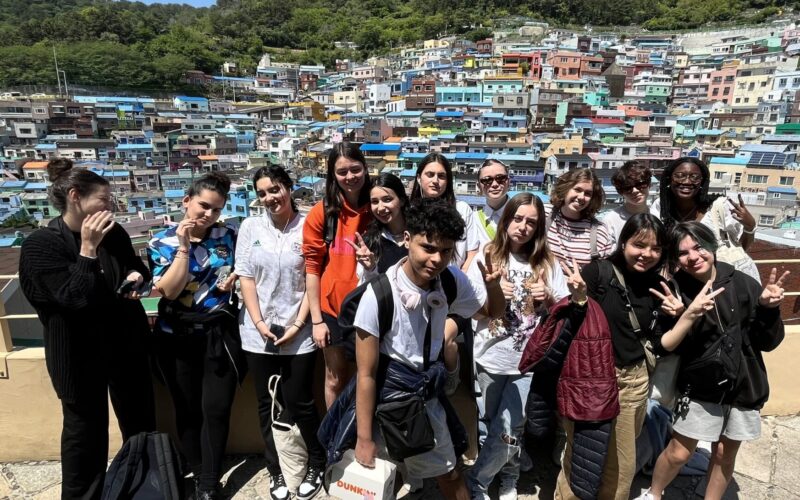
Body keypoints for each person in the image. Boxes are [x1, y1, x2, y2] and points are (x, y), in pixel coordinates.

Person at [352, 199, 506, 500]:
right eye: (428, 248)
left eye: (446, 251)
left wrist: (493, 286)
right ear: (407, 240)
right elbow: (366, 374)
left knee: (449, 472)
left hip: (425, 394)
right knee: (382, 478)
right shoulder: (379, 294)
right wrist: (363, 437)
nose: (437, 259)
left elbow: (490, 311)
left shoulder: (449, 279)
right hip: (387, 397)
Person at [19, 158, 155, 500]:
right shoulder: (41, 245)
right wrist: (88, 250)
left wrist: (139, 277)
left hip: (125, 345)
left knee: (140, 422)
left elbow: (137, 267)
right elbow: (72, 298)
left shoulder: (115, 233)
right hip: (78, 356)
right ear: (76, 196)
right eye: (104, 201)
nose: (109, 208)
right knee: (85, 436)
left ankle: (142, 487)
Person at [637, 222, 787, 500]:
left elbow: (768, 342)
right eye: (683, 253)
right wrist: (683, 315)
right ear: (675, 259)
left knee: (723, 454)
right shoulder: (675, 289)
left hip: (744, 386)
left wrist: (768, 309)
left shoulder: (743, 283)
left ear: (712, 246)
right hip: (700, 386)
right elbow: (666, 347)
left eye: (699, 247)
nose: (693, 257)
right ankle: (654, 493)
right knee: (680, 452)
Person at [554, 213, 679, 500]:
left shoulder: (661, 288)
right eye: (639, 245)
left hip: (633, 380)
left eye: (656, 248)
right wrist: (577, 300)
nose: (647, 254)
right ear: (623, 243)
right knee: (582, 458)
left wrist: (677, 317)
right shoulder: (598, 273)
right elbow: (571, 329)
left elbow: (660, 344)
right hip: (591, 380)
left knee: (622, 463)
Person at [467, 193, 569, 500]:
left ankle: (479, 480)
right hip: (489, 356)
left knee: (511, 426)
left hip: (526, 361)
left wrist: (548, 297)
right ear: (507, 219)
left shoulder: (546, 262)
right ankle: (507, 475)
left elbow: (563, 310)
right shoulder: (488, 255)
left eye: (531, 222)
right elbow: (470, 308)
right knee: (490, 425)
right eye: (518, 218)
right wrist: (493, 291)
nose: (523, 227)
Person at [148, 172, 240, 500]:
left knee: (216, 409)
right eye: (203, 206)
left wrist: (234, 282)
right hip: (176, 337)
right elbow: (170, 292)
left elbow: (244, 271)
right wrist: (184, 248)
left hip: (217, 335)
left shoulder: (228, 235)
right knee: (187, 409)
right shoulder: (160, 242)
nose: (208, 215)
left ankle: (209, 482)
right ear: (187, 201)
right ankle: (199, 470)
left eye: (215, 209)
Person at [235, 166, 324, 500]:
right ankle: (277, 470)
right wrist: (259, 324)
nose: (270, 198)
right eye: (262, 193)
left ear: (289, 188)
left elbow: (312, 279)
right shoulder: (249, 227)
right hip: (257, 334)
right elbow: (245, 277)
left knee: (301, 402)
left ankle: (315, 461)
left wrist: (298, 325)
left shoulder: (308, 227)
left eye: (275, 189)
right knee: (266, 405)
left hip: (298, 331)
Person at [303, 142, 373, 409]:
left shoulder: (377, 208)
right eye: (342, 172)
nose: (350, 177)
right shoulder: (324, 212)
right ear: (333, 175)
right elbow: (312, 268)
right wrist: (317, 320)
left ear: (365, 169)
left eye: (355, 169)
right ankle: (335, 441)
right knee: (335, 379)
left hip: (370, 309)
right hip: (332, 309)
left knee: (366, 378)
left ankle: (362, 437)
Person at [654, 157, 756, 251]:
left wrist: (750, 227)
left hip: (716, 269)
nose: (687, 182)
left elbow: (741, 249)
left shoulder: (719, 206)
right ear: (669, 179)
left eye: (695, 177)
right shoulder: (661, 205)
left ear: (702, 182)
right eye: (680, 176)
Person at [409, 152, 482, 270]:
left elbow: (472, 253)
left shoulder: (462, 210)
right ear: (418, 178)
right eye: (430, 174)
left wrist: (459, 280)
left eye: (441, 176)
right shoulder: (410, 211)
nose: (435, 180)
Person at [547, 168, 614, 269]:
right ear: (565, 189)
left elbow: (605, 274)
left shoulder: (599, 232)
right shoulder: (544, 215)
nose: (581, 197)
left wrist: (584, 284)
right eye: (577, 190)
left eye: (588, 193)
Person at [349, 172, 409, 281]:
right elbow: (365, 287)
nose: (380, 208)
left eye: (387, 199)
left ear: (402, 200)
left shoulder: (420, 234)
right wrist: (370, 269)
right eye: (375, 202)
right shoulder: (370, 242)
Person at [602, 160, 652, 244]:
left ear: (649, 185)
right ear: (620, 192)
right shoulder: (610, 220)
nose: (635, 191)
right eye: (627, 188)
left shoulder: (658, 215)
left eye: (640, 185)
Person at [475, 159, 512, 243]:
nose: (494, 184)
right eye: (487, 180)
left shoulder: (522, 217)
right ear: (479, 186)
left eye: (501, 178)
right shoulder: (473, 220)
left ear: (509, 182)